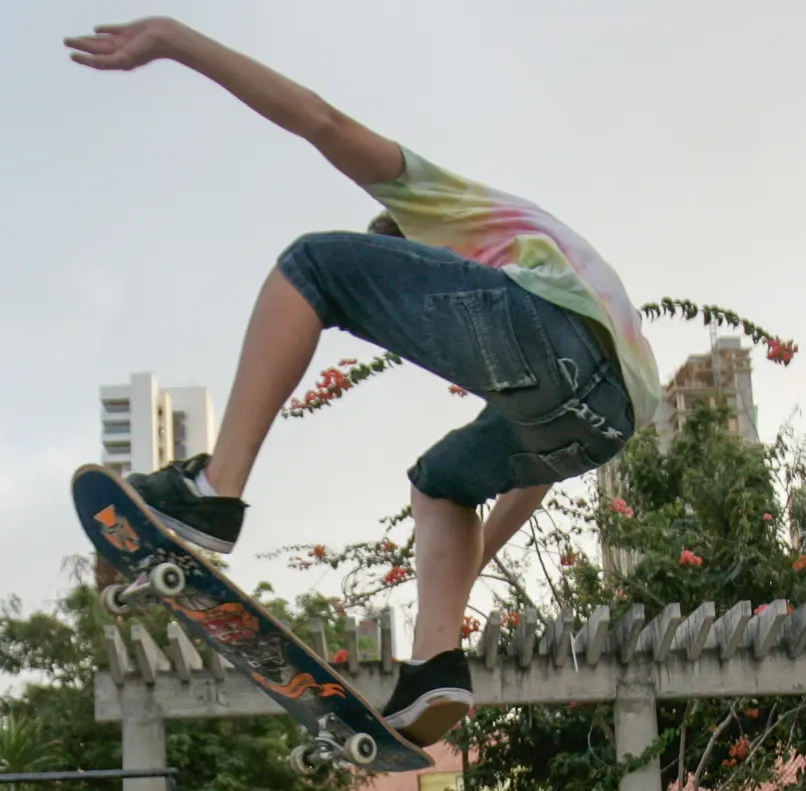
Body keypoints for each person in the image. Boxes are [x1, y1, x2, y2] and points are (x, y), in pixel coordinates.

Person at [66, 17, 657, 744]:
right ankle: (437, 666)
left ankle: (212, 493)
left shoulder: (438, 206)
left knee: (314, 265)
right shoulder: (541, 275)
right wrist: (460, 580)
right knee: (441, 481)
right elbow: (530, 479)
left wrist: (174, 41)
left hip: (551, 328)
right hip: (607, 416)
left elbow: (318, 119)